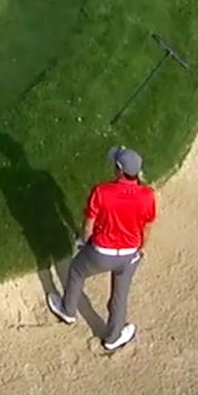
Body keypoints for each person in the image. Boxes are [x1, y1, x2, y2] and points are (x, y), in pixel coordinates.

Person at [46, 146, 156, 351]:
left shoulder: (102, 192)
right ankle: (113, 336)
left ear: (119, 170)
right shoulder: (147, 195)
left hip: (101, 253)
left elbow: (89, 225)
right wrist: (141, 248)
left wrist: (83, 242)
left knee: (77, 270)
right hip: (129, 255)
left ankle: (67, 311)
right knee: (120, 295)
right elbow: (147, 227)